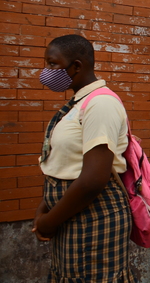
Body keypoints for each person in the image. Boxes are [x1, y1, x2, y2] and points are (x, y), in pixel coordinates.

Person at [33, 34, 137, 282]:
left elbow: (93, 179)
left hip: (93, 217)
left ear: (76, 66)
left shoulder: (100, 104)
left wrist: (49, 221)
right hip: (70, 213)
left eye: (52, 64)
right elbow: (65, 162)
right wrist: (45, 208)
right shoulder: (78, 103)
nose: (46, 72)